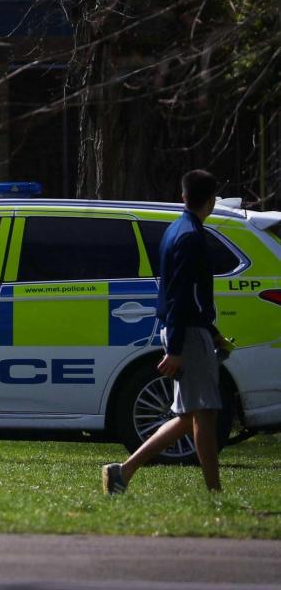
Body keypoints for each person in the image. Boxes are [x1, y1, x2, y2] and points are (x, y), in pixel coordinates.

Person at [103, 169, 229, 494]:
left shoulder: (176, 230)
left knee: (192, 415)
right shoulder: (192, 237)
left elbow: (181, 293)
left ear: (183, 196)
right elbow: (181, 295)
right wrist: (176, 348)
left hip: (187, 329)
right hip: (185, 333)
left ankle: (123, 471)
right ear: (212, 200)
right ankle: (214, 492)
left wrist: (211, 331)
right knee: (205, 413)